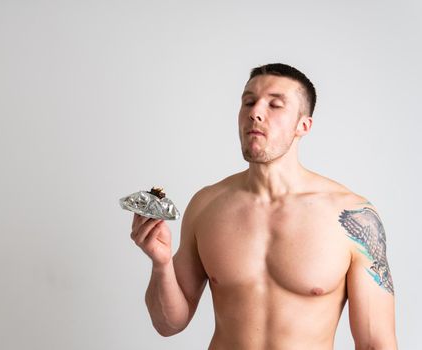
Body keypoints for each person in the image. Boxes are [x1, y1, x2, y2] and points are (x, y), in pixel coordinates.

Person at [129, 63, 398, 349]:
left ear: (303, 125)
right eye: (248, 102)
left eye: (275, 105)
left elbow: (375, 342)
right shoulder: (207, 205)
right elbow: (168, 324)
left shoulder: (352, 217)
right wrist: (160, 263)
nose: (255, 112)